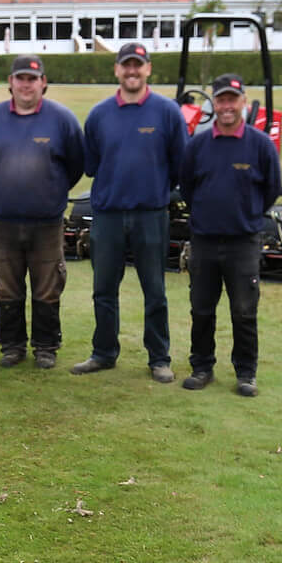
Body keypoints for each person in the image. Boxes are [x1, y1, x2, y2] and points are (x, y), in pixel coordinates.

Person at [71, 41, 189, 382]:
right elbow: (91, 165)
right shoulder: (99, 115)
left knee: (154, 290)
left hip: (151, 215)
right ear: (117, 70)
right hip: (107, 215)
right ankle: (104, 353)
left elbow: (180, 164)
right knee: (103, 289)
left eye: (138, 65)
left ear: (148, 69)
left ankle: (159, 359)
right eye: (126, 65)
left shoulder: (167, 113)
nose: (132, 70)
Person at [0, 54, 85, 369]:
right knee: (7, 285)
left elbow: (76, 166)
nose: (26, 84)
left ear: (43, 83)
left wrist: (49, 191)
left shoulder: (62, 120)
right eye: (20, 78)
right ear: (11, 83)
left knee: (48, 285)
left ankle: (46, 347)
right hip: (4, 222)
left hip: (46, 223)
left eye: (32, 79)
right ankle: (12, 346)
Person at [178, 73, 279, 398]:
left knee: (244, 311)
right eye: (220, 100)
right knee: (202, 309)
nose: (226, 106)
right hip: (205, 241)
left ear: (243, 104)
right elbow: (188, 189)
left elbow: (272, 190)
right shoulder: (197, 146)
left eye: (232, 100)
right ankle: (202, 367)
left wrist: (245, 214)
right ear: (214, 104)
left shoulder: (260, 145)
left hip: (243, 243)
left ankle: (246, 373)